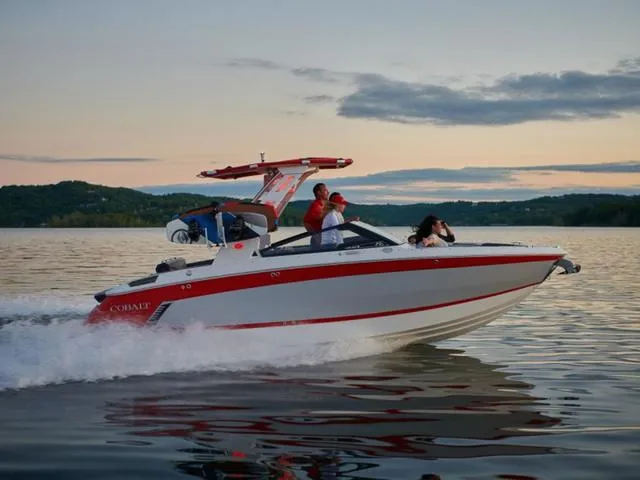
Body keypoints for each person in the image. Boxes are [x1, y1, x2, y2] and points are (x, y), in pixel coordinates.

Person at [303, 182, 329, 247]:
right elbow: (306, 222)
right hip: (319, 243)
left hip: (325, 240)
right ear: (319, 193)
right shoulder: (316, 206)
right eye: (325, 190)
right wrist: (316, 237)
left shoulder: (323, 205)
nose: (328, 192)